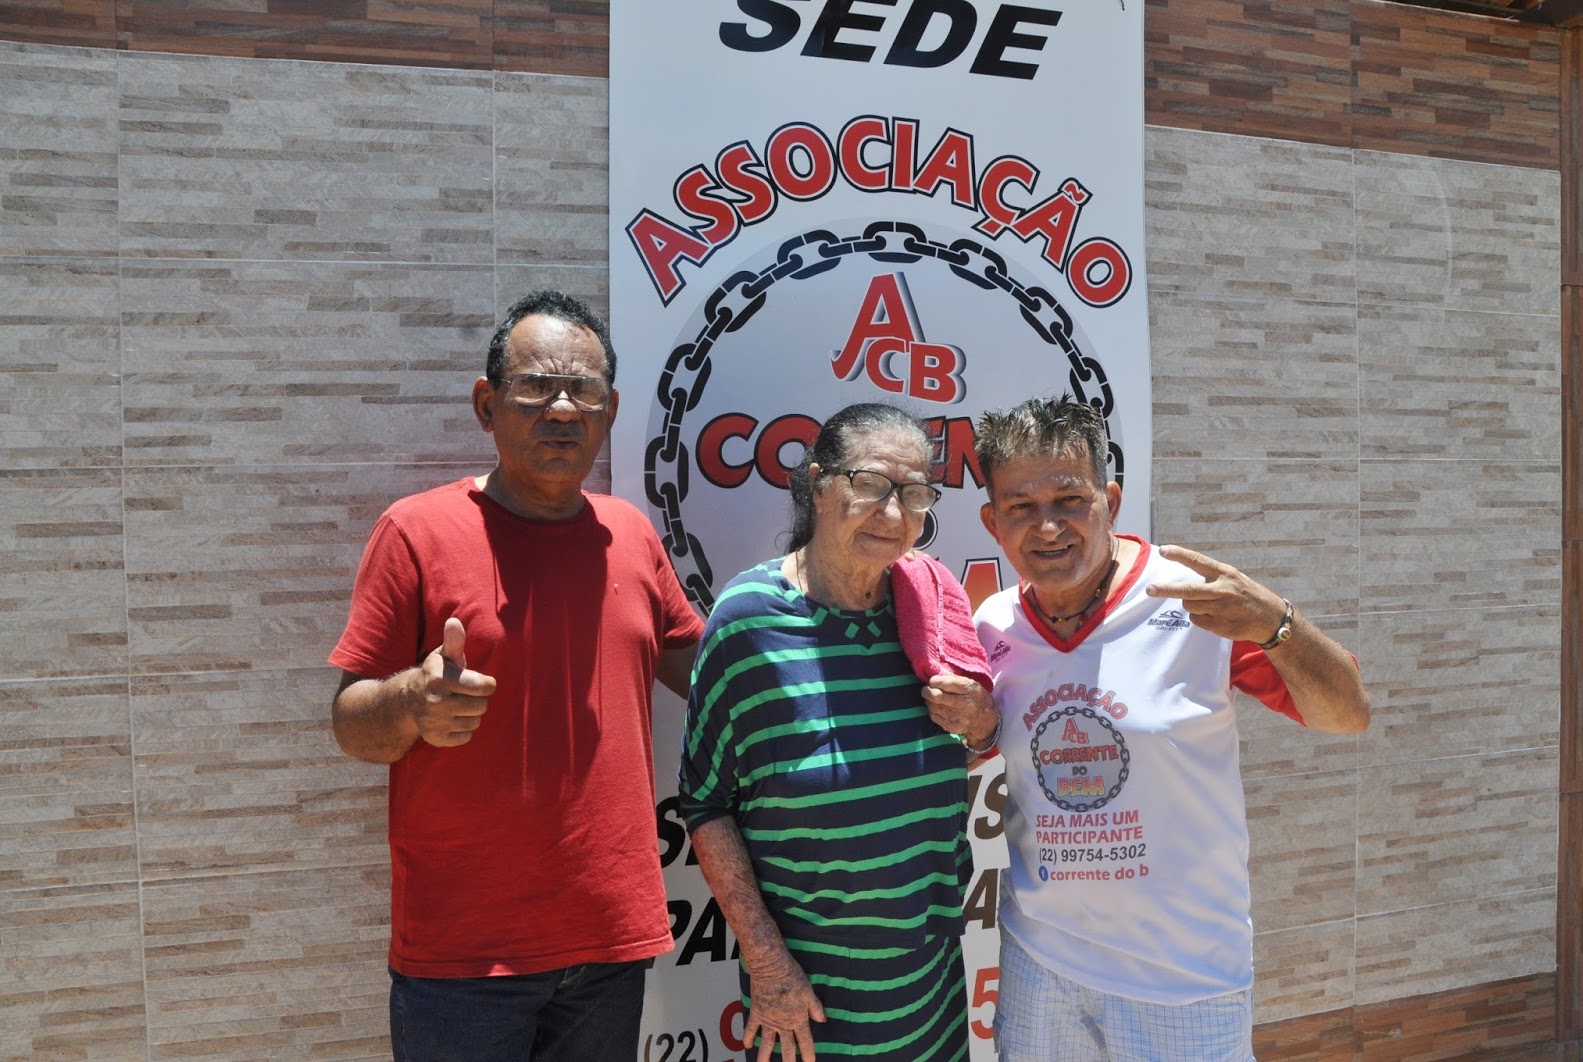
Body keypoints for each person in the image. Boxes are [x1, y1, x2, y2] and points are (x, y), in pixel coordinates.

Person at [328, 289, 704, 1062]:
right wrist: (412, 702)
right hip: (464, 959)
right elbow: (350, 724)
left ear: (610, 410)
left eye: (584, 392)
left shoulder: (630, 535)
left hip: (608, 941)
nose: (562, 410)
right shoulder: (416, 532)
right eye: (536, 388)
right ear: (486, 404)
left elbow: (707, 675)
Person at [970, 395, 1372, 1062]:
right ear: (993, 522)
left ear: (1110, 501)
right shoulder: (992, 626)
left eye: (1070, 500)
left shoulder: (1195, 602)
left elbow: (1347, 714)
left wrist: (1277, 624)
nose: (1048, 527)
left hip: (1185, 982)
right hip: (1042, 967)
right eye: (1021, 507)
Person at [678, 403, 998, 1062]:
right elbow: (706, 804)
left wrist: (981, 725)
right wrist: (768, 964)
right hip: (805, 1002)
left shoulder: (931, 613)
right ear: (819, 485)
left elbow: (956, 751)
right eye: (871, 484)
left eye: (914, 493)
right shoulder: (748, 622)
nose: (894, 513)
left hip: (931, 986)